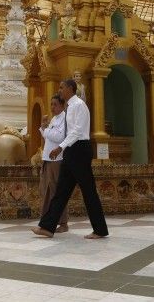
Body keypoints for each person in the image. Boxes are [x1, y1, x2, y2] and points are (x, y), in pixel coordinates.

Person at [33, 78, 108, 239]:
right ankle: (47, 227)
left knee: (88, 191)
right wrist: (63, 148)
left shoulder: (79, 105)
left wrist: (60, 147)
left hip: (79, 150)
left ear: (70, 89)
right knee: (61, 190)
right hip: (71, 150)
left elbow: (77, 131)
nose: (59, 90)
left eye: (62, 87)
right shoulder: (70, 107)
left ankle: (100, 229)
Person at [38, 95, 70, 233]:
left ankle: (63, 223)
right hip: (48, 159)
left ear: (62, 106)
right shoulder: (54, 119)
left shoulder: (64, 119)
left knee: (58, 192)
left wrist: (46, 130)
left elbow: (59, 137)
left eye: (55, 104)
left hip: (57, 160)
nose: (52, 107)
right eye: (51, 104)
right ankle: (46, 221)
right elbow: (48, 137)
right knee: (46, 191)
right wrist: (43, 127)